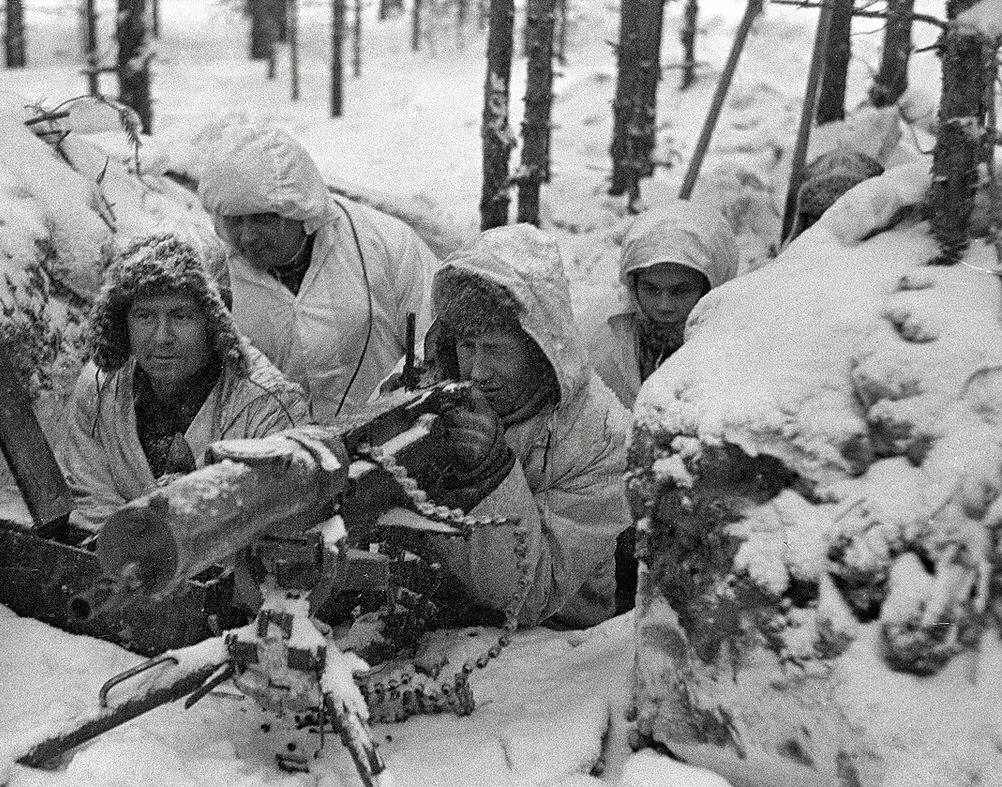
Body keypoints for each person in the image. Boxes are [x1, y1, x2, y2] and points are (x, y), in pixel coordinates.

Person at [411, 224, 632, 628]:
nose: (477, 372)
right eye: (467, 347)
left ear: (538, 348)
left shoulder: (600, 436)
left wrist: (489, 474)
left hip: (556, 641)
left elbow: (535, 594)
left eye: (495, 350)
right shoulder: (433, 385)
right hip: (437, 620)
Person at [59, 232, 309, 530]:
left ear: (215, 321)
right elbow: (89, 502)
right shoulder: (100, 387)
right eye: (145, 316)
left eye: (181, 316)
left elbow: (280, 526)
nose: (162, 337)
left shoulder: (266, 407)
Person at [194, 123, 439, 423]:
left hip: (389, 437)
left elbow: (437, 338)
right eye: (234, 221)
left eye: (261, 219)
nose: (246, 237)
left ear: (299, 211)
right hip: (277, 455)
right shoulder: (215, 275)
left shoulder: (385, 243)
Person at [577, 200, 738, 410]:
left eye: (681, 291)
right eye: (651, 289)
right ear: (633, 286)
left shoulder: (734, 344)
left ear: (711, 288)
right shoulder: (601, 331)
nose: (664, 306)